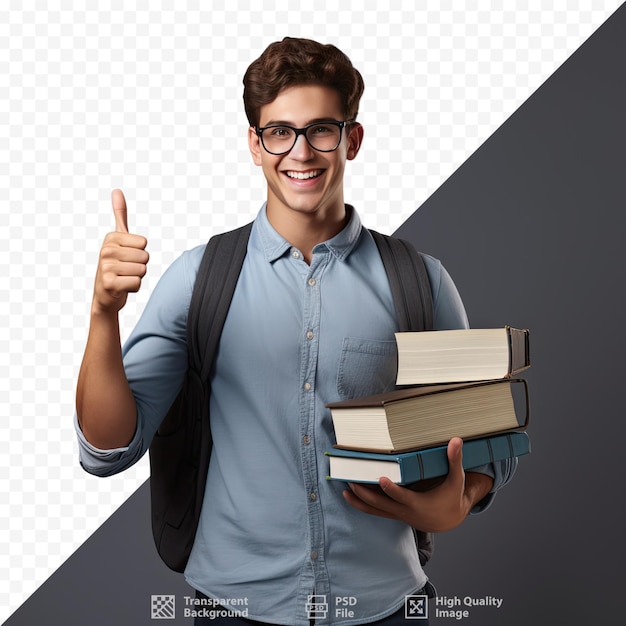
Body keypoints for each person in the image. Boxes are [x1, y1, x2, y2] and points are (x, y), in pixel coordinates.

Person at [75, 37, 516, 625]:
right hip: (233, 604)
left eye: (320, 130)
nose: (300, 152)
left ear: (352, 139)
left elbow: (487, 435)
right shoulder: (198, 280)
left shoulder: (419, 281)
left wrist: (460, 501)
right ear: (255, 147)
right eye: (279, 132)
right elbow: (107, 450)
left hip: (386, 606)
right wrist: (104, 313)